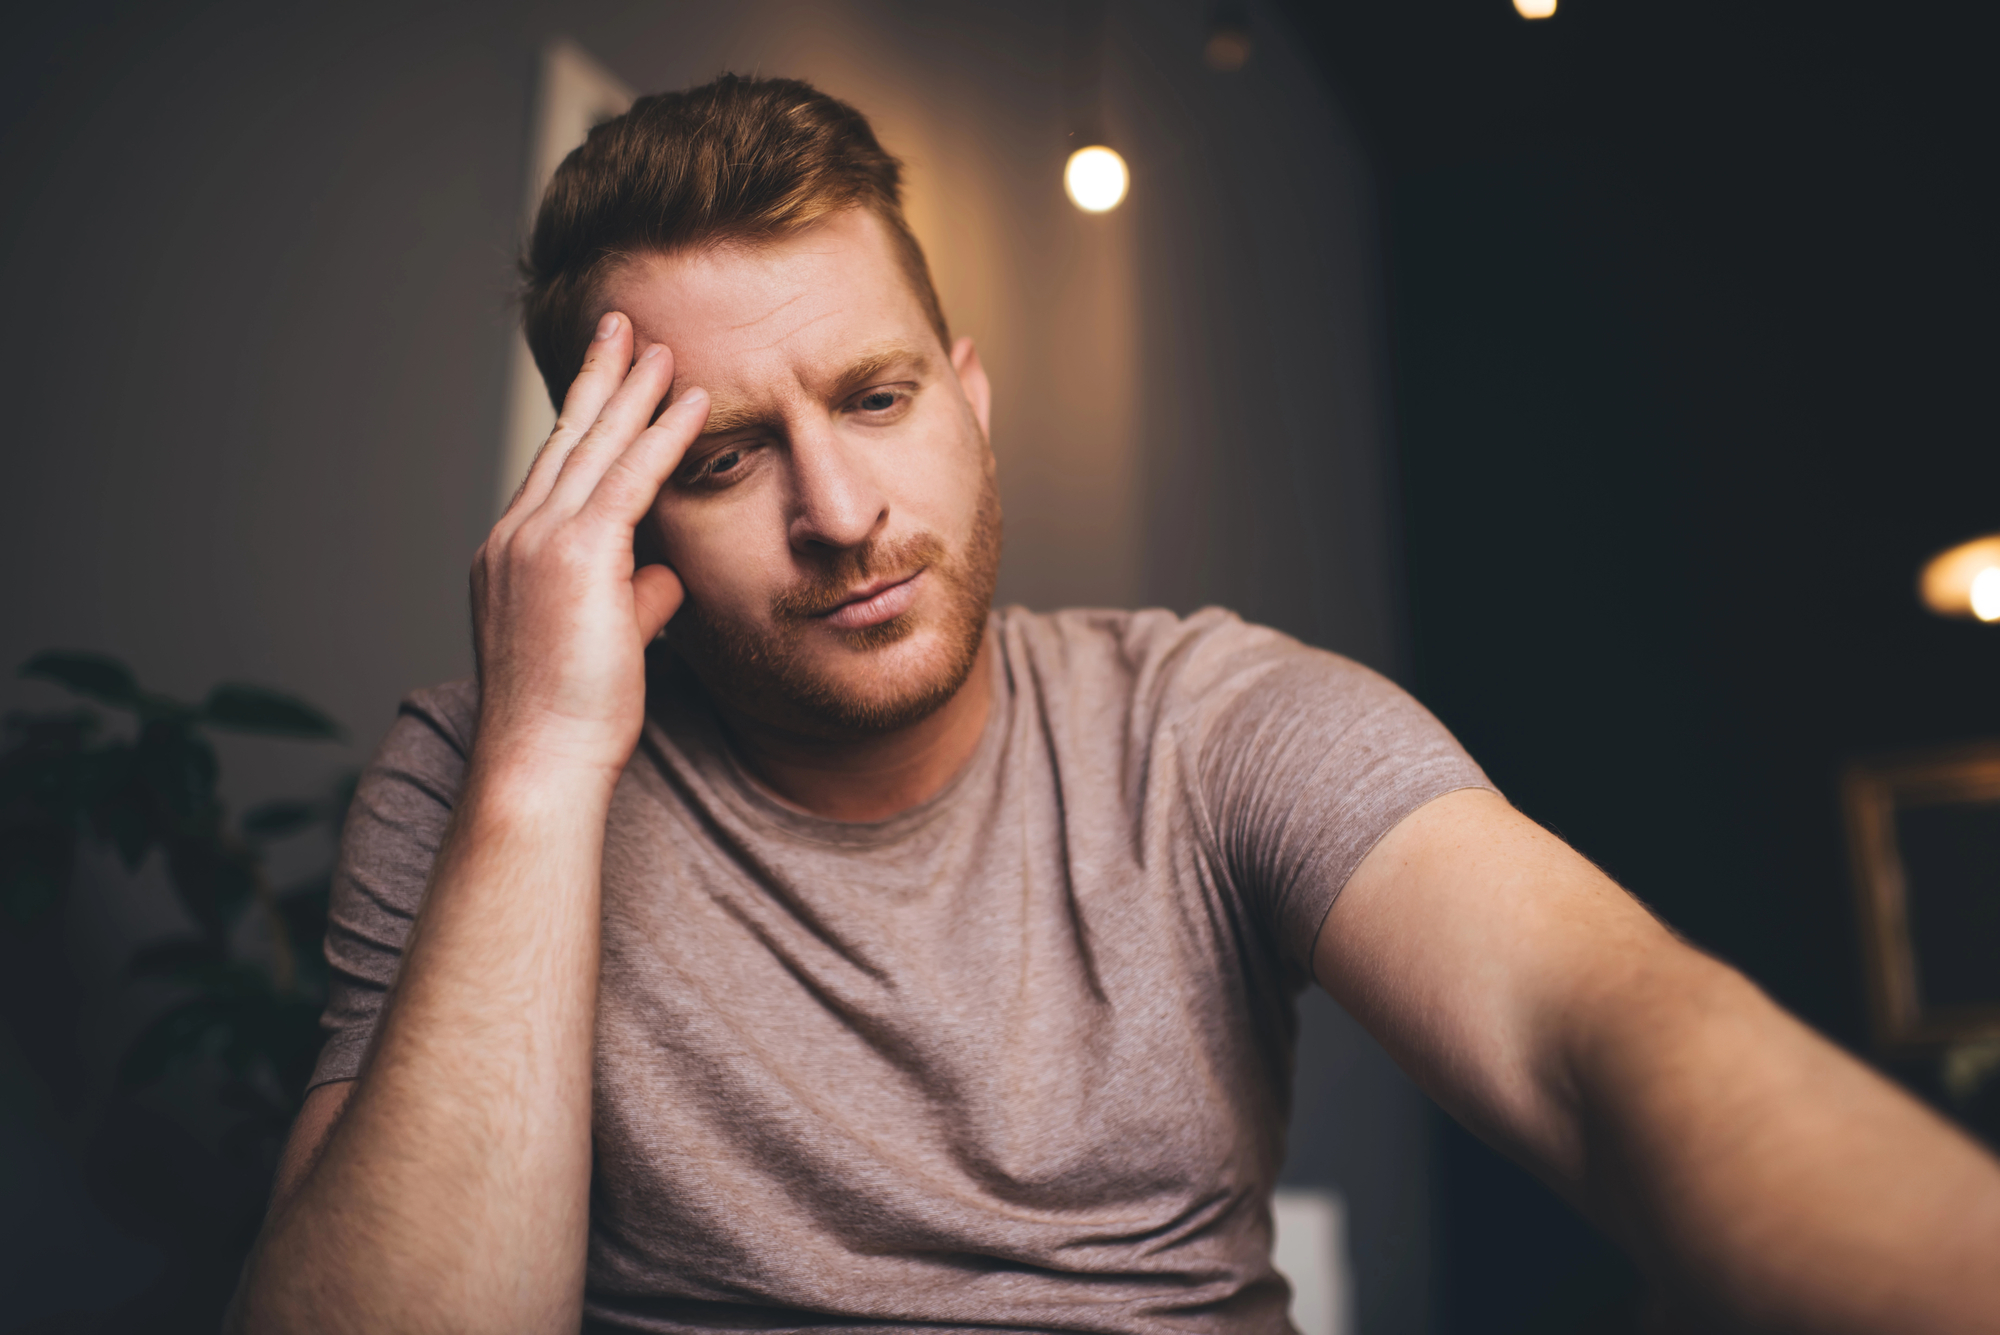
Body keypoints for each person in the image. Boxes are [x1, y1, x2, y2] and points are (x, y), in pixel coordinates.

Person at [229, 75, 2000, 1333]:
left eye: (875, 394)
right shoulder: (477, 767)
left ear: (971, 399)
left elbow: (1598, 1033)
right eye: (723, 454)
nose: (841, 516)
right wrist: (544, 762)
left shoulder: (1212, 723)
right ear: (606, 503)